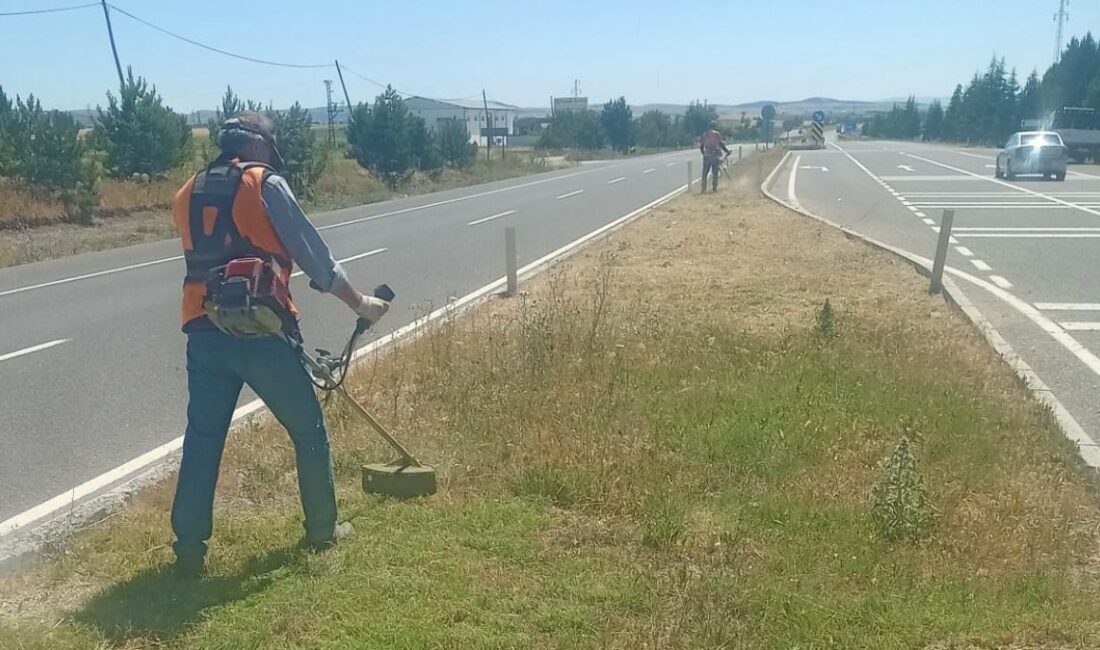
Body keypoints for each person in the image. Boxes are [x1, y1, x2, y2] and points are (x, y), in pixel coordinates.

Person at [168, 111, 390, 578]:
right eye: (269, 150)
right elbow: (315, 258)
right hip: (262, 329)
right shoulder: (263, 184)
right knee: (308, 429)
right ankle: (322, 530)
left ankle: (188, 550)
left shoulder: (187, 191)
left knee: (203, 439)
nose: (271, 157)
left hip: (204, 329)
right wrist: (360, 304)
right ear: (258, 147)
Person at [699, 120, 731, 193]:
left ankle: (703, 189)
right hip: (715, 154)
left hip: (707, 155)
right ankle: (714, 188)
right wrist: (727, 151)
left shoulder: (705, 134)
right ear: (715, 126)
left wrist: (704, 153)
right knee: (715, 172)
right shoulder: (717, 134)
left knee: (705, 173)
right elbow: (721, 144)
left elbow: (701, 146)